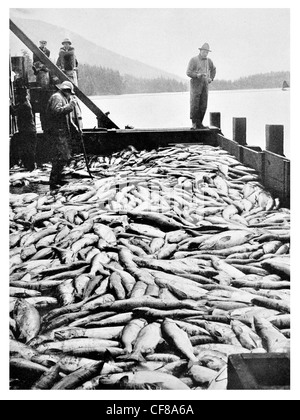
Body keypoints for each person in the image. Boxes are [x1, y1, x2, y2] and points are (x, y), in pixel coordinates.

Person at [45, 81, 82, 189]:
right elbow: (56, 112)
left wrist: (76, 128)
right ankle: (53, 181)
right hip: (56, 132)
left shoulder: (64, 98)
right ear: (67, 90)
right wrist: (70, 106)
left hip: (62, 132)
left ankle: (58, 179)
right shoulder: (57, 97)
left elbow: (68, 119)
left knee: (65, 156)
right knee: (60, 157)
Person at [186, 43, 216, 129]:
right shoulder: (193, 60)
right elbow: (188, 72)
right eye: (204, 51)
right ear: (200, 51)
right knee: (195, 104)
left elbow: (213, 69)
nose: (205, 53)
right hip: (195, 85)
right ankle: (194, 123)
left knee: (203, 104)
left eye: (207, 52)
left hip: (205, 85)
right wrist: (197, 75)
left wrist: (211, 78)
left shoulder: (209, 61)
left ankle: (200, 123)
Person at [10, 88, 37, 171]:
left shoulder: (25, 105)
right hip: (27, 130)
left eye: (18, 95)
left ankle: (31, 167)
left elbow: (14, 112)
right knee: (27, 149)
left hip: (28, 131)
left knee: (28, 149)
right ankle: (29, 166)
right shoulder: (23, 103)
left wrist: (8, 104)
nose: (17, 97)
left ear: (22, 96)